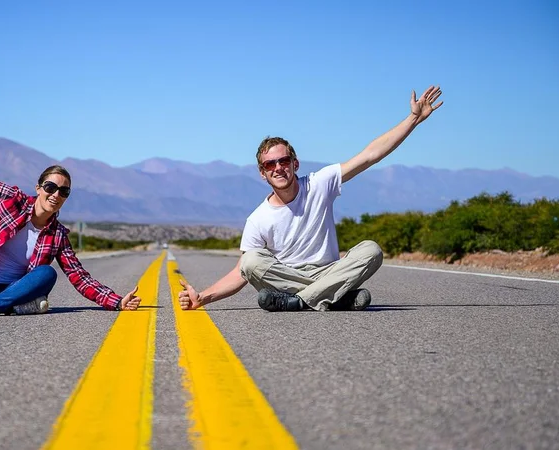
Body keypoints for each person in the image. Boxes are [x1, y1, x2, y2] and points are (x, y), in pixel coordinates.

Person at [179, 86, 444, 312]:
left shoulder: (319, 183)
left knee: (371, 250)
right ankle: (336, 298)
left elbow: (369, 156)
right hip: (287, 277)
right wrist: (202, 298)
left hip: (328, 271)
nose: (278, 168)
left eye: (283, 161)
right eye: (270, 164)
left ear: (295, 163)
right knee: (250, 261)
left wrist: (413, 119)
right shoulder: (258, 219)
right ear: (263, 173)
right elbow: (240, 274)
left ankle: (299, 302)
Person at [0, 121, 141, 318]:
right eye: (51, 187)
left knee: (46, 274)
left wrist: (117, 302)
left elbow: (80, 277)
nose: (56, 194)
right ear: (38, 188)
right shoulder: (9, 200)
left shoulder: (58, 235)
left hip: (18, 287)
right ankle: (12, 307)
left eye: (64, 192)